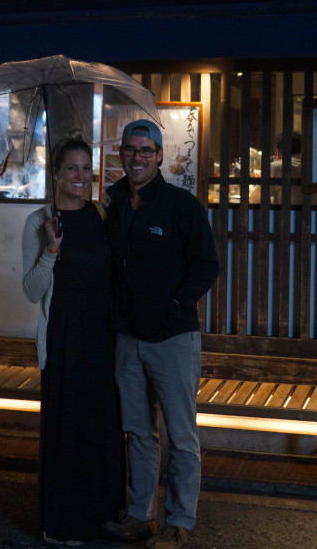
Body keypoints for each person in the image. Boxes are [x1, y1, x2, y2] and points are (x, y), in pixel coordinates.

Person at [103, 119, 220, 549]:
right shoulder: (113, 205)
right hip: (127, 338)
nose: (136, 157)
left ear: (159, 157)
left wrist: (173, 305)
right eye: (130, 150)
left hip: (172, 339)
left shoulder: (179, 206)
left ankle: (180, 524)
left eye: (145, 150)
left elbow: (206, 265)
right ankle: (140, 516)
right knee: (137, 431)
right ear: (121, 154)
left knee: (181, 436)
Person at [22, 138, 126, 545]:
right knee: (68, 430)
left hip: (103, 335)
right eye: (71, 169)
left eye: (86, 169)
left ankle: (102, 516)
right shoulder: (40, 220)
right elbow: (32, 291)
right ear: (56, 174)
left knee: (100, 427)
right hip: (64, 335)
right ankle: (61, 523)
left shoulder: (102, 214)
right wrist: (50, 251)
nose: (80, 177)